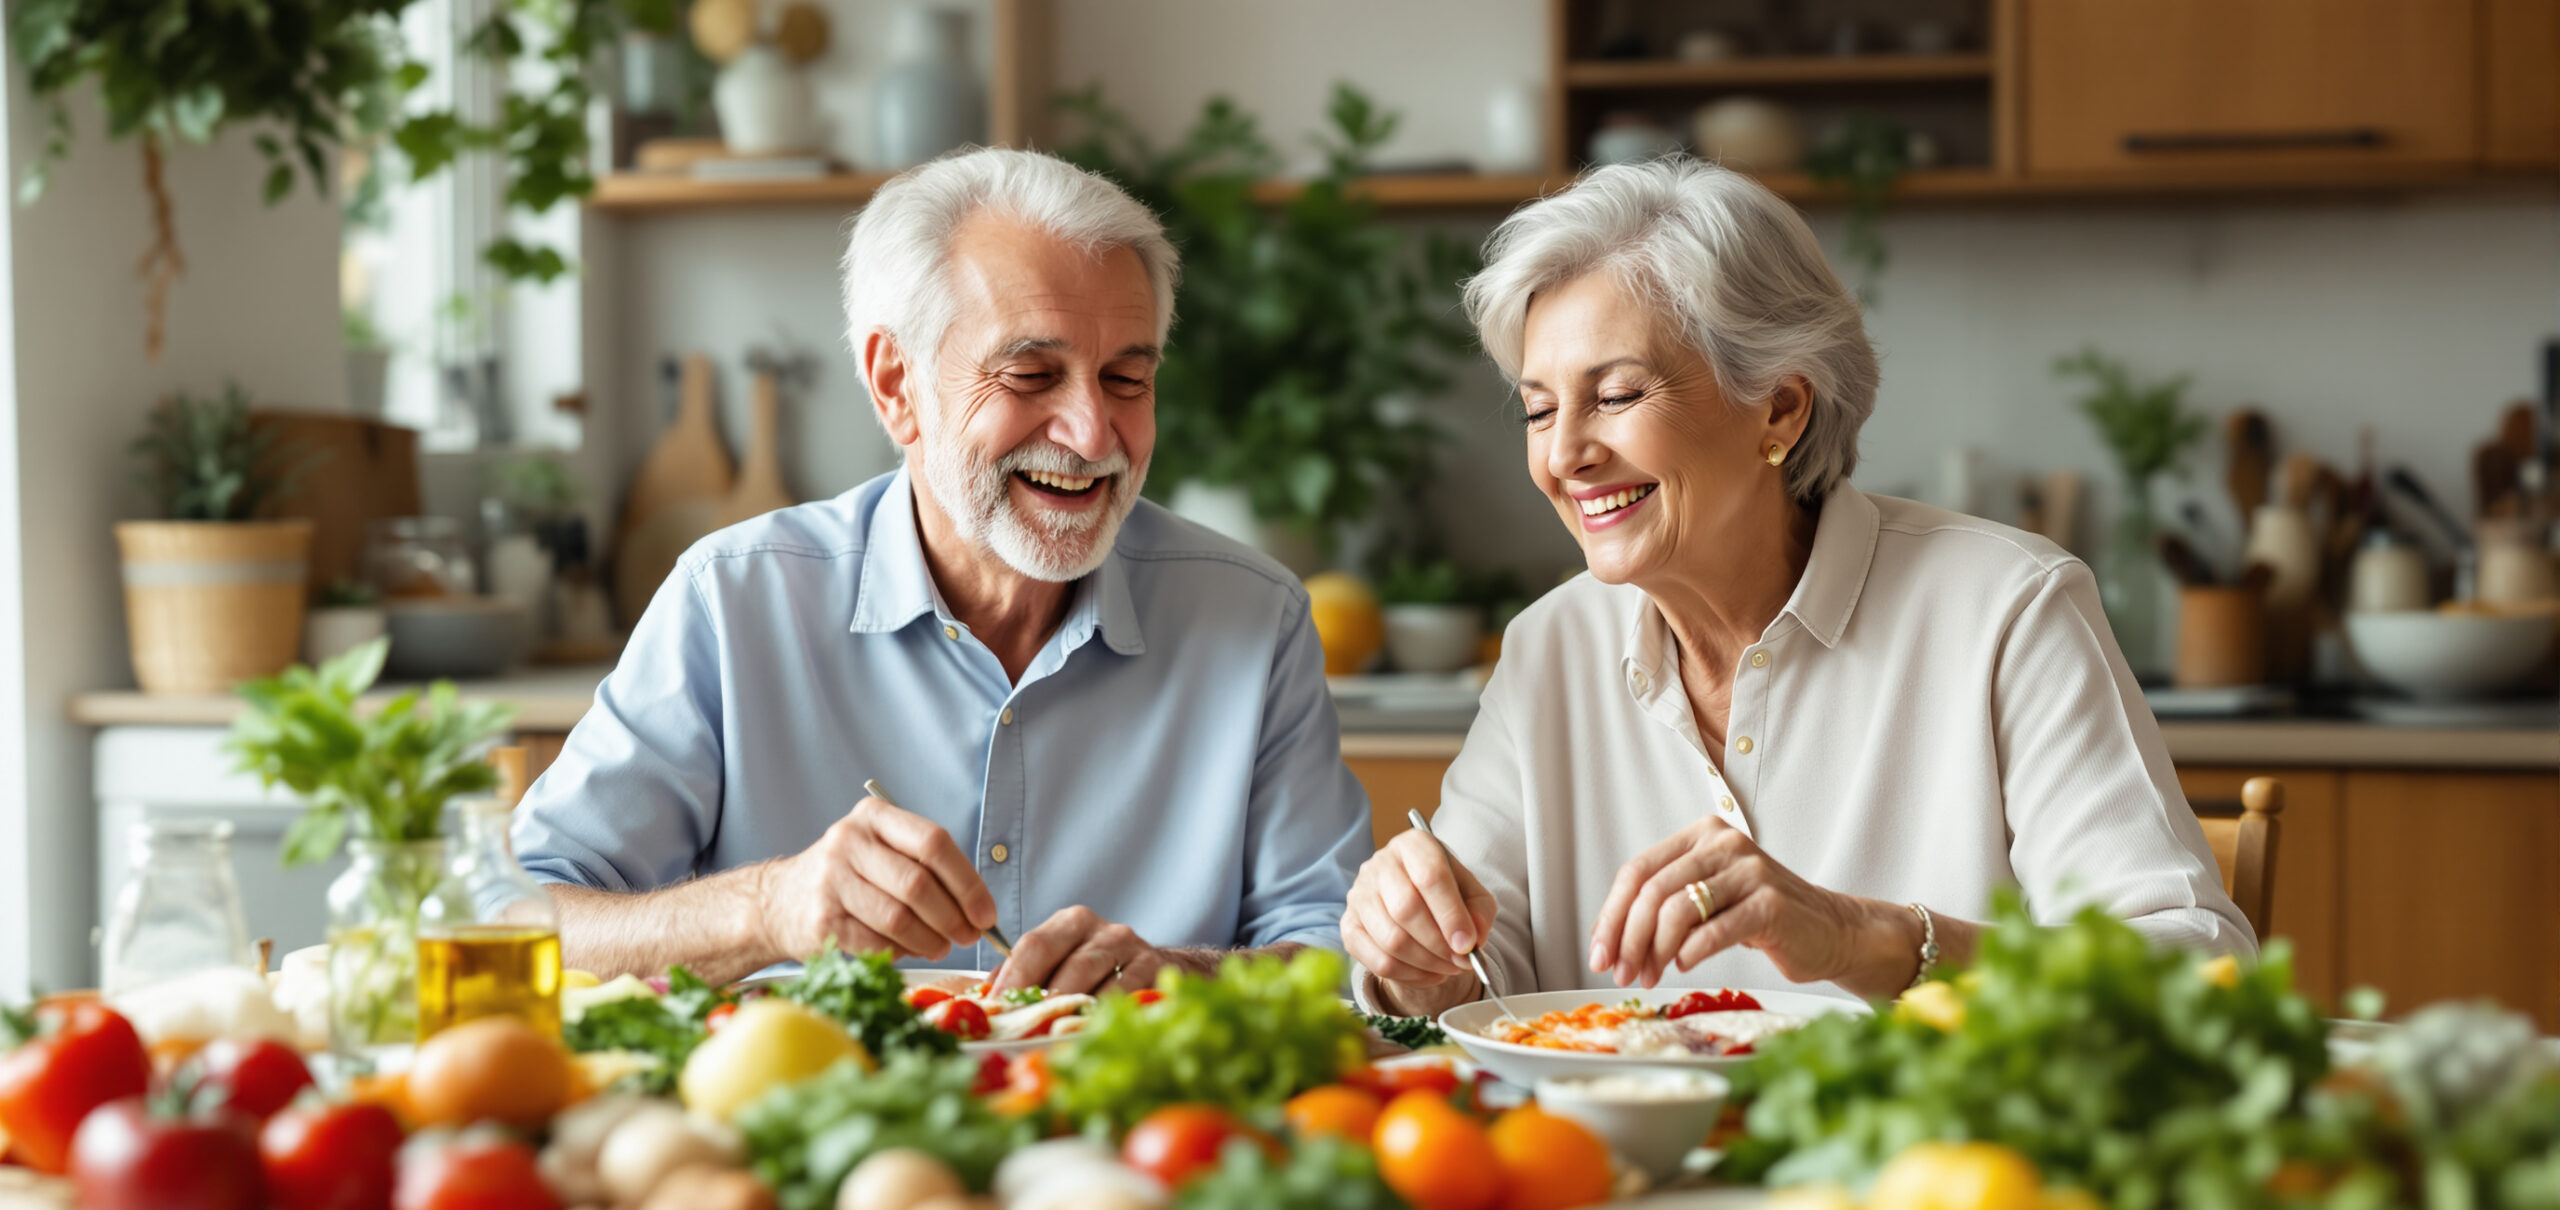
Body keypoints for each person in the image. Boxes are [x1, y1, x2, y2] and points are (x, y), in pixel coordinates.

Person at [1341, 156, 2251, 1017]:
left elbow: (2196, 972)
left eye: (1615, 396)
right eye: (1540, 409)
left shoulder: (2008, 609)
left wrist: (1862, 937)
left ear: (1779, 407)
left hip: (1930, 1135)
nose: (1565, 454)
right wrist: (1415, 952)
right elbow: (1480, 982)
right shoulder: (1548, 648)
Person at [515, 148, 1369, 994]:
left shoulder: (1256, 618)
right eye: (1031, 375)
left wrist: (1182, 976)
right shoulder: (733, 602)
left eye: (1126, 378)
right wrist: (767, 908)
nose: (1092, 433)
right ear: (897, 385)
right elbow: (514, 917)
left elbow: (1340, 953)